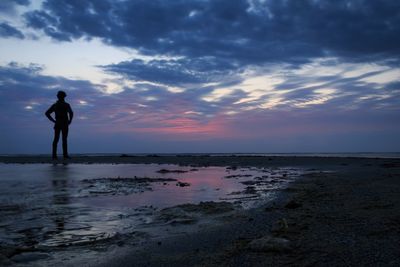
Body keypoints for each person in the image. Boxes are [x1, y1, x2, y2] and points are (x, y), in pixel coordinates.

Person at [45, 90, 74, 160]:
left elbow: (47, 113)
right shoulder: (65, 105)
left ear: (59, 96)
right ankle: (64, 155)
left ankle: (55, 156)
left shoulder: (57, 105)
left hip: (59, 122)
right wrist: (70, 120)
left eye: (58, 95)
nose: (58, 96)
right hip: (63, 123)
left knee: (57, 139)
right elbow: (71, 113)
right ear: (64, 97)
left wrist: (53, 121)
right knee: (62, 139)